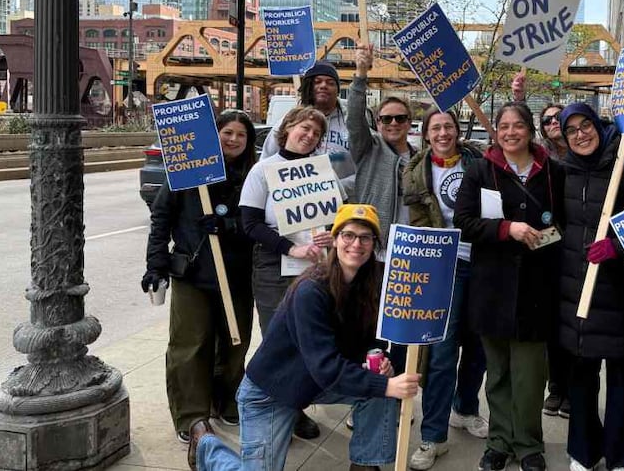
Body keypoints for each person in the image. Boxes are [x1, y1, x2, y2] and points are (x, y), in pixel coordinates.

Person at [188, 204, 422, 471]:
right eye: (349, 235)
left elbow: (374, 339)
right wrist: (386, 386)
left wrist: (380, 361)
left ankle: (365, 466)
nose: (356, 244)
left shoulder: (373, 283)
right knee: (384, 387)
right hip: (271, 393)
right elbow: (325, 366)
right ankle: (206, 445)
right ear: (334, 239)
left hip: (315, 382)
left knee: (379, 387)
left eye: (365, 237)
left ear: (374, 244)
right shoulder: (311, 290)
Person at [454, 102, 564, 471]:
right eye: (504, 126)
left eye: (518, 125)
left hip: (537, 287)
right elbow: (464, 221)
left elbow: (565, 224)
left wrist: (543, 237)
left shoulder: (553, 171)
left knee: (531, 375)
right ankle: (499, 440)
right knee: (497, 372)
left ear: (531, 130)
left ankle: (529, 443)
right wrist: (507, 229)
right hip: (492, 287)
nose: (511, 132)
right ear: (496, 131)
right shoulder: (481, 170)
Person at [556, 103, 624, 471]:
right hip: (577, 294)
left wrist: (618, 245)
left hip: (621, 295)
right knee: (581, 381)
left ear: (600, 127)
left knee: (623, 378)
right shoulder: (564, 172)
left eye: (587, 126)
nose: (581, 134)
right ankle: (584, 451)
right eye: (572, 130)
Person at [142, 109, 257, 443]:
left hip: (236, 275)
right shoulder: (187, 172)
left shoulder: (253, 175)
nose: (233, 139)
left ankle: (227, 401)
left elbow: (261, 223)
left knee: (236, 343)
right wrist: (155, 265)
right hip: (193, 274)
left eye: (240, 134)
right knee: (190, 345)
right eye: (226, 132)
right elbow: (161, 217)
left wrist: (230, 225)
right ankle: (191, 415)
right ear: (214, 135)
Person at [240, 106, 335, 440]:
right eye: (304, 128)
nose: (309, 136)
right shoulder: (263, 170)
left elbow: (333, 217)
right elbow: (249, 223)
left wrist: (331, 234)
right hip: (273, 266)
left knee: (307, 337)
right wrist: (289, 247)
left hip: (314, 266)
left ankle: (296, 405)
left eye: (316, 133)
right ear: (288, 128)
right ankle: (279, 409)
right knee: (277, 338)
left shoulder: (321, 172)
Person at [401, 107, 489, 469]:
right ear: (426, 134)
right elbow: (417, 221)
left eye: (448, 126)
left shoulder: (476, 160)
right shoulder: (415, 171)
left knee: (479, 344)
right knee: (441, 353)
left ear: (458, 130)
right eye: (435, 127)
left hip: (482, 261)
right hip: (442, 267)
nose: (442, 133)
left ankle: (466, 408)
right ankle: (432, 435)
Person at [349, 43, 417, 234]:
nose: (393, 123)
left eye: (400, 118)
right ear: (377, 123)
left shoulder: (421, 158)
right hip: (374, 245)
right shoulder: (368, 148)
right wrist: (361, 74)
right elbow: (354, 117)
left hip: (411, 246)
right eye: (386, 118)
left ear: (409, 122)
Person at [261, 61, 356, 196]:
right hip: (295, 204)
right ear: (308, 87)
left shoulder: (353, 123)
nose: (323, 86)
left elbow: (368, 171)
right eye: (317, 82)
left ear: (338, 90)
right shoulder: (287, 123)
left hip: (342, 206)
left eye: (330, 83)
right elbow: (266, 164)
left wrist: (334, 188)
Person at [536, 102, 571, 420]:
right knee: (553, 326)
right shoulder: (542, 158)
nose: (553, 123)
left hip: (582, 249)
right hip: (550, 247)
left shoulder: (586, 151)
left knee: (576, 323)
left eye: (559, 118)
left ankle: (572, 388)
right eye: (546, 120)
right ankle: (556, 387)